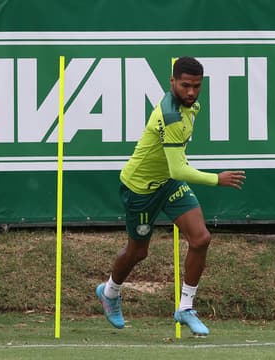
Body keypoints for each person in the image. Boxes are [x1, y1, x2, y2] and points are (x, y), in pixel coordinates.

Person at [96, 57, 245, 336]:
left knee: (201, 239)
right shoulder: (171, 115)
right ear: (172, 82)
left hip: (168, 183)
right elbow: (179, 167)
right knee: (138, 252)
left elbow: (173, 170)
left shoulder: (192, 106)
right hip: (140, 189)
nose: (191, 92)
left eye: (197, 86)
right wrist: (217, 179)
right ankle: (110, 292)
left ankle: (185, 307)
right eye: (185, 85)